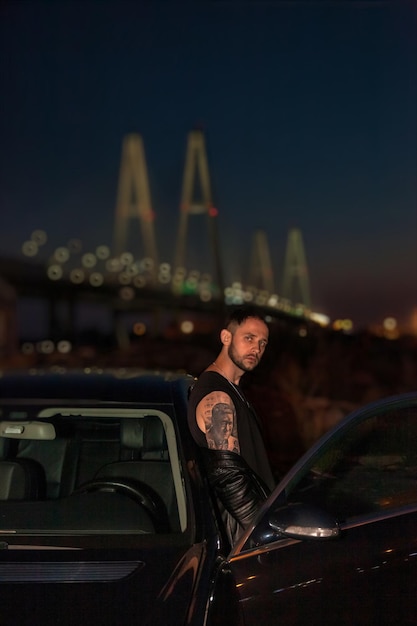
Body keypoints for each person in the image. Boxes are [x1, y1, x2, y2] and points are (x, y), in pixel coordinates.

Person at [187, 306, 275, 544]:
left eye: (263, 343)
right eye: (249, 338)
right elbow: (228, 477)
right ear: (226, 337)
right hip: (245, 540)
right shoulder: (217, 395)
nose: (256, 349)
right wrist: (264, 533)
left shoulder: (232, 390)